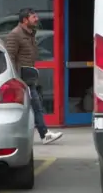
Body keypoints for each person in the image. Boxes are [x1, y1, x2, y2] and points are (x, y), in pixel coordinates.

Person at [4, 8, 63, 145]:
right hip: (21, 78)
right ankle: (43, 134)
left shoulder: (30, 34)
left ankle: (43, 134)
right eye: (33, 17)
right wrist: (15, 79)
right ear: (25, 20)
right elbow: (10, 58)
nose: (37, 19)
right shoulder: (15, 35)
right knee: (34, 106)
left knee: (35, 106)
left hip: (29, 77)